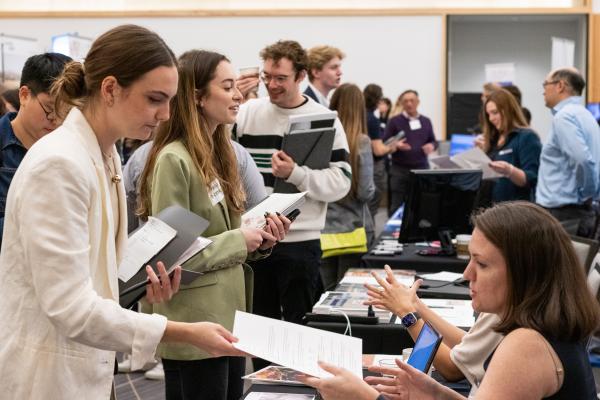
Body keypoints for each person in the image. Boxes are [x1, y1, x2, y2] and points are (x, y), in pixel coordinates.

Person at [0, 25, 245, 399]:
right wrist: (176, 330)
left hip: (91, 363)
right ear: (111, 89)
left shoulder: (106, 151)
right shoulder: (59, 164)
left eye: (169, 100)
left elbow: (95, 272)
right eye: (154, 99)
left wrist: (138, 286)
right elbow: (68, 305)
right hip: (49, 373)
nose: (165, 114)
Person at [303, 201, 600, 399]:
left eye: (482, 265)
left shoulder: (527, 345)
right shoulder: (543, 327)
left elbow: (455, 369)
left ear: (525, 272)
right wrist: (434, 393)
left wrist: (365, 397)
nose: (468, 274)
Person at [137, 49, 289, 400]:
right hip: (194, 322)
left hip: (226, 318)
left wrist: (260, 241)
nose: (239, 95)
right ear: (197, 98)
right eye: (228, 86)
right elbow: (171, 256)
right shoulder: (174, 160)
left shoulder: (218, 152)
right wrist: (240, 240)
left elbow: (218, 237)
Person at [235, 40, 351, 357]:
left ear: (300, 76)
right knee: (258, 332)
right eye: (267, 76)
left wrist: (296, 174)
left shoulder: (325, 118)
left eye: (280, 78)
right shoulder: (246, 114)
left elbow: (341, 182)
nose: (271, 84)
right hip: (255, 240)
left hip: (300, 241)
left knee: (301, 333)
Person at [0, 52, 72, 248]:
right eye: (49, 109)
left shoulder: (68, 149)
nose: (56, 120)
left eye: (65, 112)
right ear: (24, 95)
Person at [321, 83, 375, 289]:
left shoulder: (324, 139)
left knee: (326, 292)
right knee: (349, 292)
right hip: (355, 229)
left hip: (326, 229)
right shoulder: (361, 141)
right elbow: (365, 191)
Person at [536, 68, 600, 238]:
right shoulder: (586, 115)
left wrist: (587, 193)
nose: (543, 90)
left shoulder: (564, 117)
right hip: (573, 212)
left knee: (560, 264)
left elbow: (582, 160)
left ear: (560, 86)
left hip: (563, 214)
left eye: (545, 84)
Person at [479, 88, 542, 203]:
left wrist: (510, 171)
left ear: (508, 110)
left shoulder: (526, 137)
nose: (491, 119)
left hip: (514, 211)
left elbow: (532, 178)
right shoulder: (493, 139)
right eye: (488, 114)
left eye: (495, 112)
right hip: (489, 208)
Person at [383, 89, 437, 215]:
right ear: (402, 103)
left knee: (422, 204)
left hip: (421, 169)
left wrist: (431, 146)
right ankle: (395, 234)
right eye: (405, 101)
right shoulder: (394, 121)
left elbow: (434, 141)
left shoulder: (426, 121)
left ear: (418, 102)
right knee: (396, 205)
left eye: (412, 100)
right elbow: (384, 142)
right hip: (399, 170)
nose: (409, 104)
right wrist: (396, 144)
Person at [363, 84, 394, 221]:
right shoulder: (373, 119)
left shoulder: (360, 115)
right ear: (378, 99)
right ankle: (369, 239)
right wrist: (392, 147)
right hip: (374, 167)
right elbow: (378, 150)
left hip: (361, 164)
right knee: (372, 207)